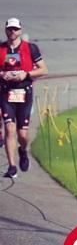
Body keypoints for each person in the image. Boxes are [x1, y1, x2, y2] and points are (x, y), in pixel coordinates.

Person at [0, 18, 48, 178]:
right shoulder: (1, 48)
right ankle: (12, 167)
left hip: (24, 94)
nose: (12, 32)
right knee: (9, 129)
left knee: (22, 134)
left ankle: (23, 150)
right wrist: (2, 74)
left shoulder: (30, 48)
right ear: (6, 30)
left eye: (15, 29)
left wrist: (26, 74)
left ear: (20, 30)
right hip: (6, 94)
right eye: (10, 29)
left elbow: (44, 70)